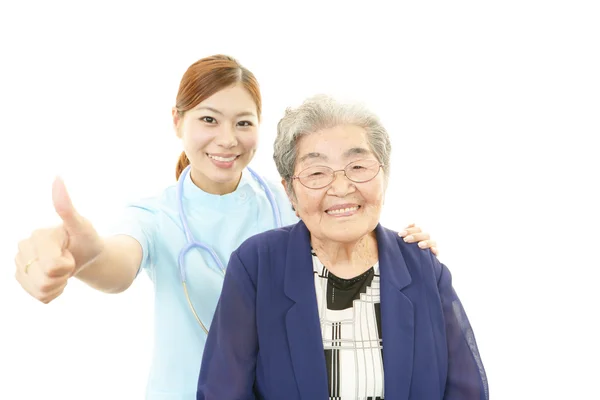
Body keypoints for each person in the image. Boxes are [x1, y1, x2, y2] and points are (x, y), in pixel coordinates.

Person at [13, 55, 439, 400]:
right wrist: (85, 258)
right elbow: (117, 264)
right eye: (209, 120)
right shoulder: (155, 215)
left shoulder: (289, 202)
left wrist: (408, 249)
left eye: (243, 122)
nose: (227, 139)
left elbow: (349, 229)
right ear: (177, 121)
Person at [197, 94, 488, 400]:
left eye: (358, 166)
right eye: (317, 173)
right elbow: (222, 391)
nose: (341, 187)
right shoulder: (256, 265)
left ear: (384, 176)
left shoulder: (422, 267)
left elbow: (467, 390)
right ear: (290, 192)